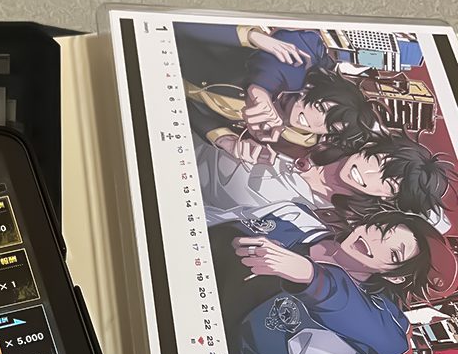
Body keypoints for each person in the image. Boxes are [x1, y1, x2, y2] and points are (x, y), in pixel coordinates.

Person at [208, 202, 458, 354]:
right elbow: (212, 221)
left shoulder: (370, 318)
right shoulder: (296, 219)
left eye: (393, 253)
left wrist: (311, 276)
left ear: (395, 276)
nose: (373, 241)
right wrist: (230, 239)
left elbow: (391, 344)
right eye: (381, 229)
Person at [173, 22, 379, 161]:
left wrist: (225, 140)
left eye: (329, 126)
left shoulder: (282, 135)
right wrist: (261, 92)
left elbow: (192, 112)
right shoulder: (306, 62)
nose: (315, 120)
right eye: (323, 108)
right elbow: (299, 50)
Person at [196, 129, 452, 231]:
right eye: (378, 161)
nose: (367, 174)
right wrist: (226, 137)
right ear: (370, 147)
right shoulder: (304, 134)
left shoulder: (317, 220)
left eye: (388, 183)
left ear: (388, 197)